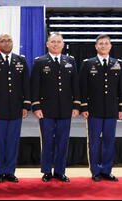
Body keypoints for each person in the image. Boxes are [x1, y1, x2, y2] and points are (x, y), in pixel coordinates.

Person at [31, 33, 80, 182]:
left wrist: (76, 105)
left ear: (63, 45)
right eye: (53, 42)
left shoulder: (70, 61)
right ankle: (46, 171)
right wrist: (36, 106)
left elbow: (75, 86)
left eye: (58, 42)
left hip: (65, 109)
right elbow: (34, 87)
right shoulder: (40, 62)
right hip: (46, 110)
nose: (56, 44)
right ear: (47, 44)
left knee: (63, 141)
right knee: (47, 141)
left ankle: (60, 171)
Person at [0, 34, 31, 183]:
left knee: (13, 141)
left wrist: (26, 106)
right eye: (3, 40)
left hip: (16, 109)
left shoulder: (20, 60)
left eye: (9, 40)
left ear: (13, 42)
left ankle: (10, 171)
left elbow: (26, 85)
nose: (6, 43)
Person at [79, 34, 122, 182]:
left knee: (109, 141)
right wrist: (84, 107)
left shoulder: (117, 63)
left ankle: (106, 170)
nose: (104, 46)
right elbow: (83, 88)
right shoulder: (88, 64)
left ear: (110, 46)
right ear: (96, 46)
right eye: (101, 43)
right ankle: (95, 171)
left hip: (111, 110)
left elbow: (121, 87)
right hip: (94, 110)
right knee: (93, 142)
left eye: (106, 43)